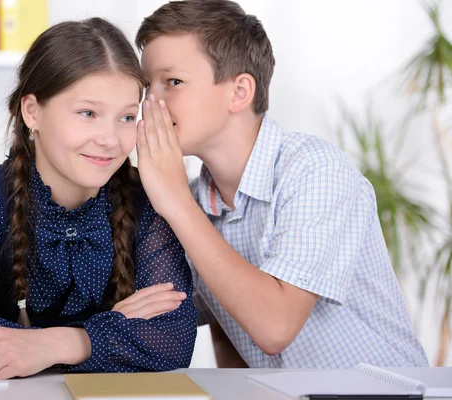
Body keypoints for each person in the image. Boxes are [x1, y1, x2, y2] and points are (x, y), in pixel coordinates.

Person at [133, 0, 428, 368]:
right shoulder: (194, 203)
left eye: (172, 82)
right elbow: (229, 326)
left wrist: (176, 202)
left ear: (239, 92)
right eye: (147, 87)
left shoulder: (314, 170)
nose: (150, 104)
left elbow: (274, 327)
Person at [0, 17, 197, 379]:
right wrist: (112, 329)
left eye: (127, 117)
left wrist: (60, 344)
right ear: (32, 111)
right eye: (88, 113)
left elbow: (175, 339)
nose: (110, 139)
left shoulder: (149, 201)